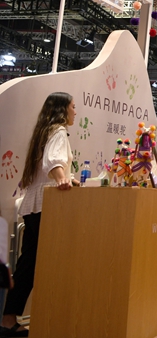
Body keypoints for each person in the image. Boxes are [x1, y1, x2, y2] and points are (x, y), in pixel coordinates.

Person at [2, 92, 77, 338]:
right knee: (39, 265)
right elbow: (53, 161)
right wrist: (62, 179)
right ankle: (32, 319)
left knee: (28, 264)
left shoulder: (44, 131)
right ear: (63, 109)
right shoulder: (59, 131)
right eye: (73, 107)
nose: (75, 112)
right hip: (47, 205)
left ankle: (8, 319)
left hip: (36, 205)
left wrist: (68, 178)